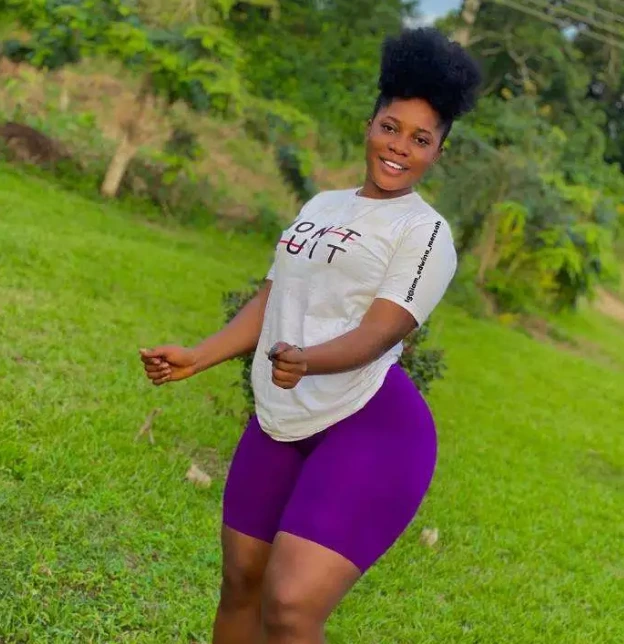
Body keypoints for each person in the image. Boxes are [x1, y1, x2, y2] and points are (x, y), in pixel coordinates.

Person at [140, 26, 481, 644]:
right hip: (281, 415)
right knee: (241, 583)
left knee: (291, 606)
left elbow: (379, 333)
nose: (399, 147)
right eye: (390, 127)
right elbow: (273, 298)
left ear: (439, 152)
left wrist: (308, 359)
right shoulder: (321, 205)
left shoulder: (424, 232)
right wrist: (199, 356)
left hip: (371, 424)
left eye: (420, 138)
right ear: (370, 124)